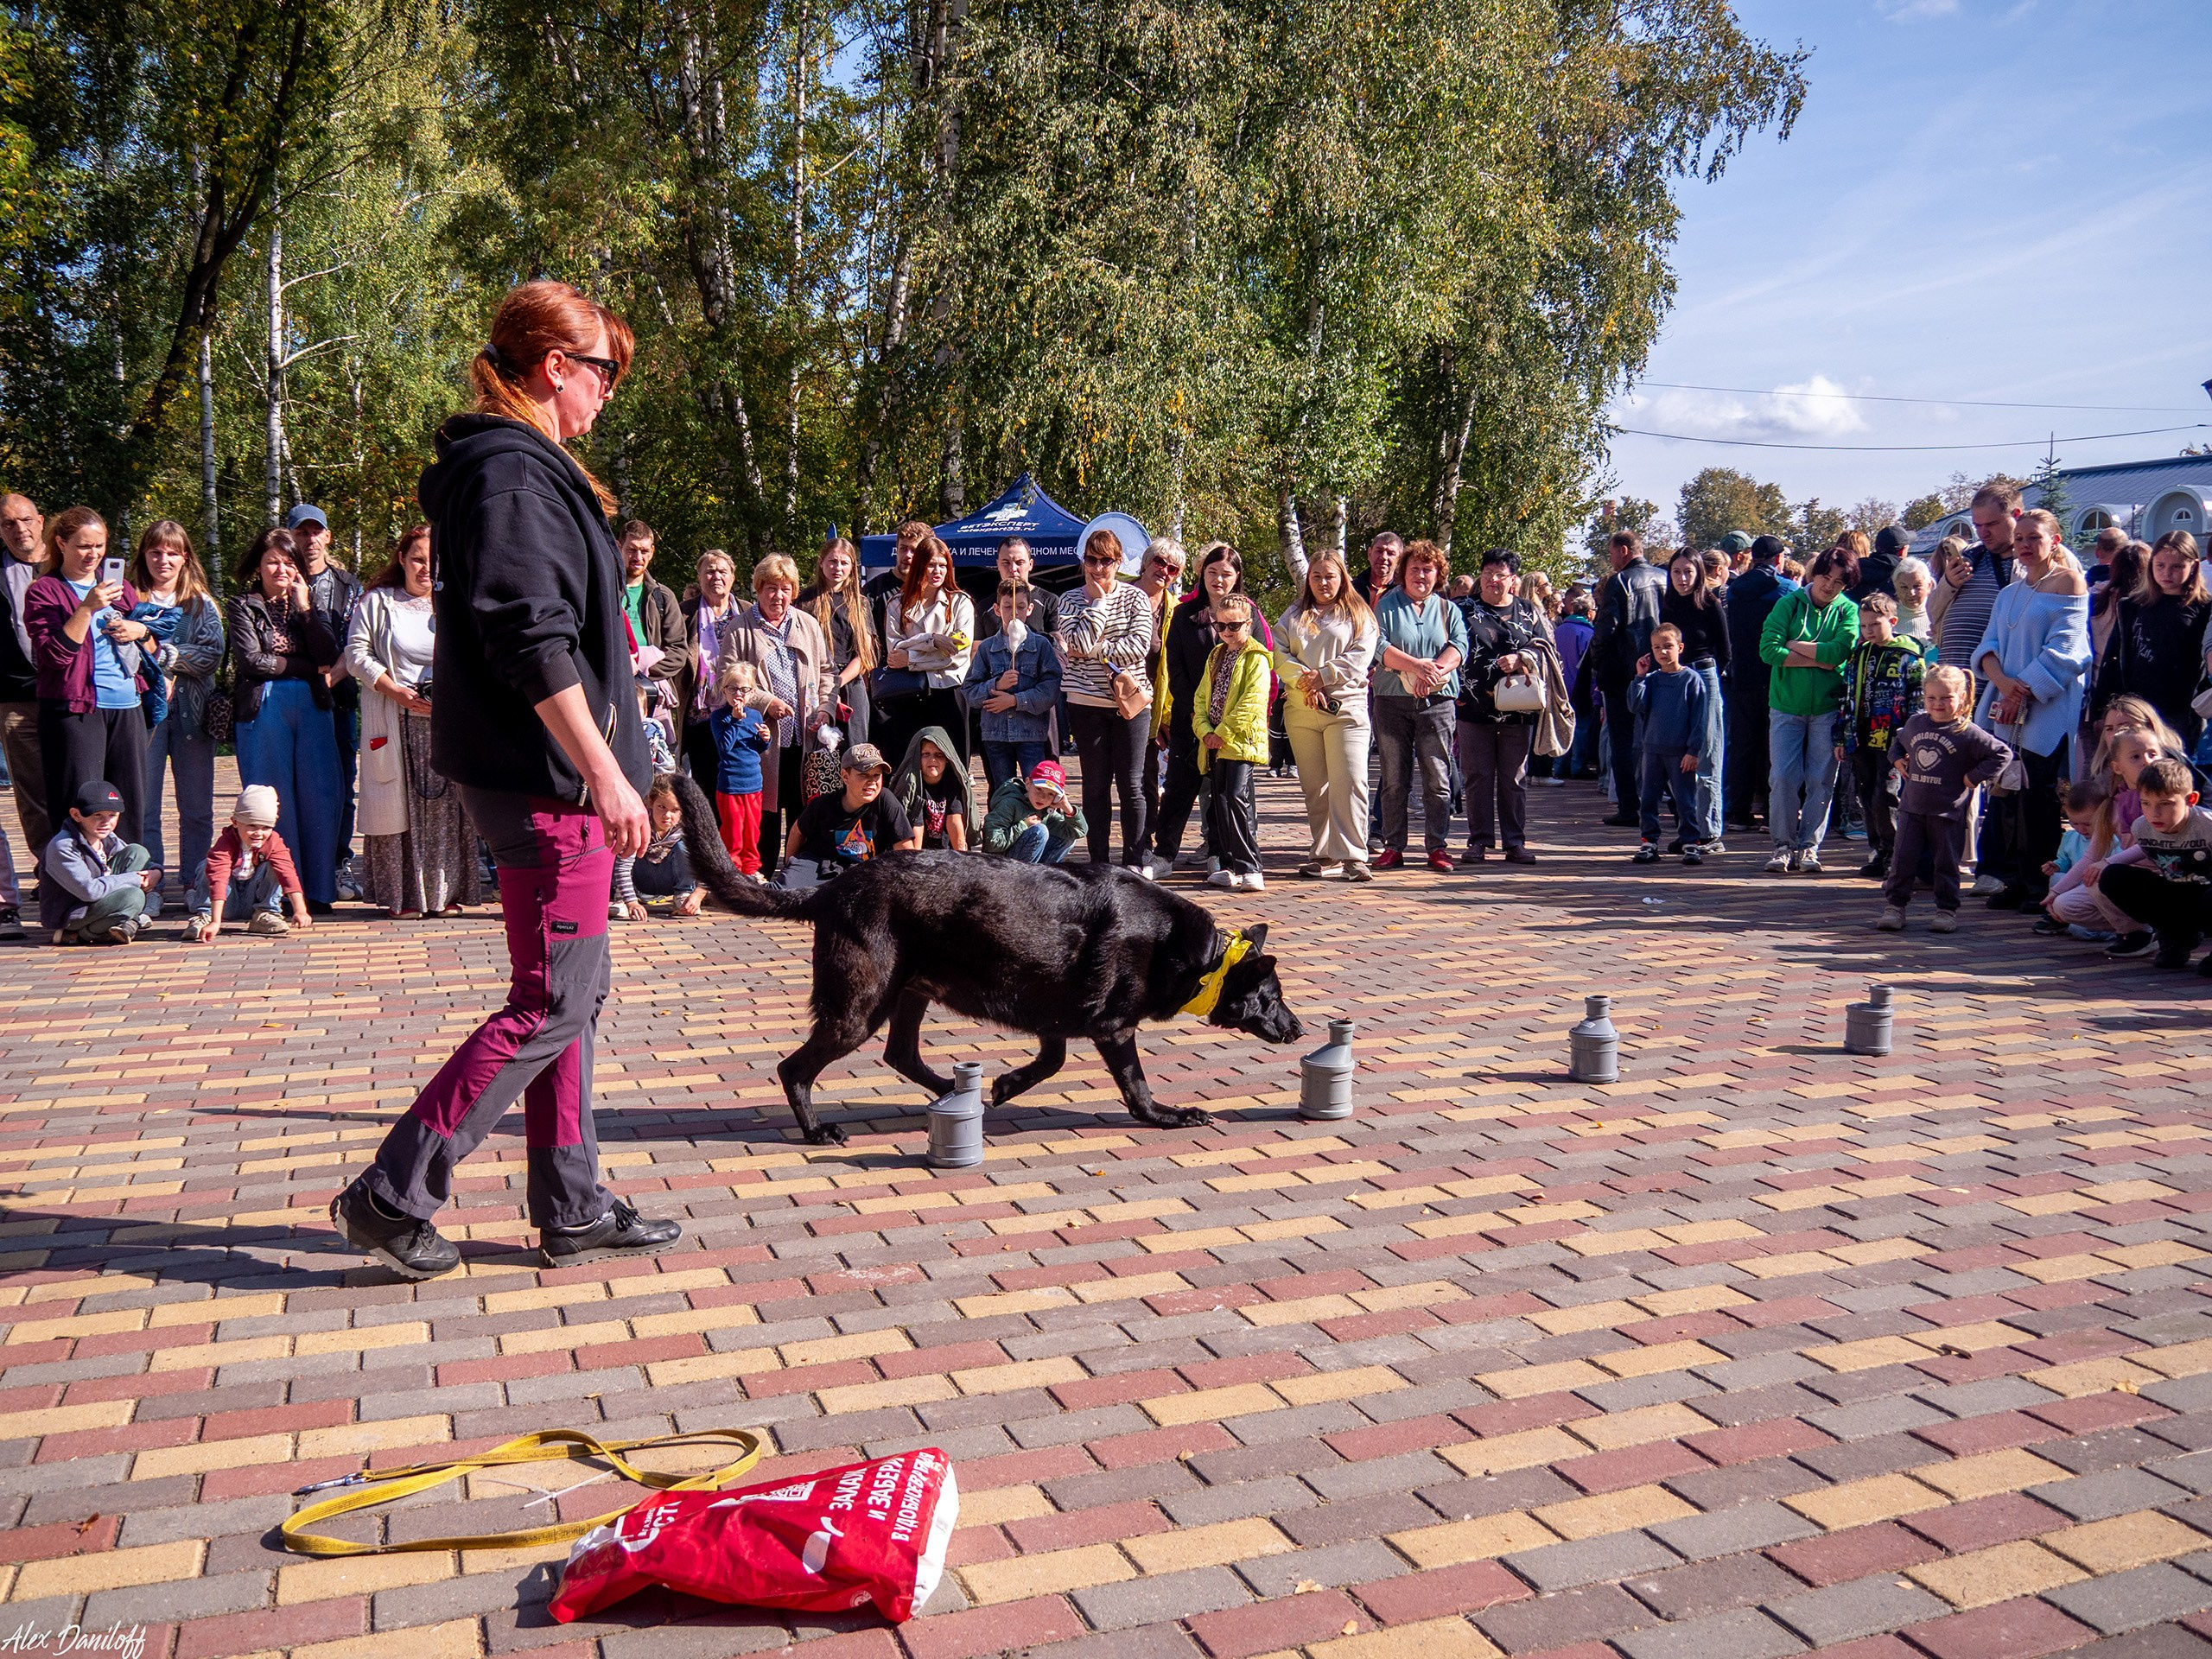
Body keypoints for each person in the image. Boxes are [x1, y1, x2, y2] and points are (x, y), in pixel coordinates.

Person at [332, 277, 679, 1281]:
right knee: (553, 999)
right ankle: (392, 1193)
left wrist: (626, 766)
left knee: (569, 992)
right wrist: (605, 774)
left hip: (544, 776)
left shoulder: (514, 469)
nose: (610, 391)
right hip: (547, 781)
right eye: (603, 371)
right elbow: (534, 642)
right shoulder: (513, 475)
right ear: (553, 368)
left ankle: (570, 1204)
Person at [346, 525, 482, 919]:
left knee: (449, 807)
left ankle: (447, 892)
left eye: (434, 560)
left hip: (448, 720)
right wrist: (394, 690)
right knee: (399, 807)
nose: (426, 568)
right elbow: (356, 654)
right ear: (402, 560)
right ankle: (404, 896)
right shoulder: (378, 602)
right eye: (418, 558)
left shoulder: (456, 601)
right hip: (397, 718)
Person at [1973, 508, 2089, 910]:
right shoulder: (2009, 593)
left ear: (2054, 541)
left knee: (2038, 798)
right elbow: (1987, 646)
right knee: (2006, 795)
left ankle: (2040, 882)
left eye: (2033, 538)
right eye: (2019, 538)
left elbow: (2067, 650)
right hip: (2006, 709)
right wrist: (2003, 685)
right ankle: (2013, 879)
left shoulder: (2070, 583)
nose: (2024, 545)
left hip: (2046, 706)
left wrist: (2020, 693)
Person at [26, 507, 152, 865]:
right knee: (79, 802)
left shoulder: (121, 588)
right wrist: (86, 608)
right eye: (83, 546)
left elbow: (150, 641)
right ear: (61, 543)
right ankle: (76, 891)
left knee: (127, 802)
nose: (93, 554)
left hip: (127, 705)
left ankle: (129, 889)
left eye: (99, 546)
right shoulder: (45, 591)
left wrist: (140, 631)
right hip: (74, 709)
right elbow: (54, 657)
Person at [228, 526, 345, 911]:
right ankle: (276, 893)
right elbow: (251, 661)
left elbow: (328, 652)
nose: (281, 569)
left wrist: (305, 608)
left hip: (313, 706)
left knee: (320, 798)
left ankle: (318, 891)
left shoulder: (311, 604)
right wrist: (307, 667)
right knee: (272, 801)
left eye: (288, 561)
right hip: (264, 707)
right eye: (272, 561)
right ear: (258, 567)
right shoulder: (243, 604)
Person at [1152, 543, 1271, 876]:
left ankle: (1222, 855)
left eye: (1227, 574)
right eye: (1212, 572)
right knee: (1178, 788)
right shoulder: (1184, 614)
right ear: (1202, 574)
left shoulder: (1249, 614)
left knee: (1225, 793)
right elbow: (1174, 667)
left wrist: (1226, 725)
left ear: (1237, 577)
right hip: (1191, 720)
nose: (1219, 580)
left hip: (1233, 729)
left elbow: (1261, 669)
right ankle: (1164, 854)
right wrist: (1195, 715)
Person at [719, 552, 836, 880]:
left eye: (785, 588)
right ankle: (761, 875)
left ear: (794, 591)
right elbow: (725, 679)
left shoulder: (808, 625)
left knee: (805, 809)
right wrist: (765, 701)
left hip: (805, 736)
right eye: (770, 587)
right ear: (758, 590)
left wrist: (826, 707)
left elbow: (828, 672)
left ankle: (799, 874)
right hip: (761, 740)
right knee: (765, 811)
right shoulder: (741, 628)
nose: (778, 596)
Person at [127, 518, 225, 893]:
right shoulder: (130, 599)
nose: (163, 560)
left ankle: (195, 882)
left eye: (172, 552)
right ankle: (148, 886)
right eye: (155, 551)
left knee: (197, 809)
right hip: (140, 715)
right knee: (145, 807)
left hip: (192, 717)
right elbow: (119, 647)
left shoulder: (200, 605)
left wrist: (162, 654)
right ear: (144, 555)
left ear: (185, 558)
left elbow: (211, 657)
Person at [1877, 665, 2012, 933]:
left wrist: (1974, 777)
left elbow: (2002, 754)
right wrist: (1897, 762)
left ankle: (1946, 910)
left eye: (1947, 697)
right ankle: (1895, 907)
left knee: (1946, 864)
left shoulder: (1968, 732)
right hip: (1911, 809)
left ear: (1962, 697)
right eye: (1932, 698)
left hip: (1947, 812)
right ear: (1924, 697)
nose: (1938, 704)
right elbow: (1898, 743)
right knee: (1902, 860)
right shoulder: (1916, 723)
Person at [1274, 548, 1378, 880]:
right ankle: (1323, 854)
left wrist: (1324, 676)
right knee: (1315, 786)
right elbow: (1278, 654)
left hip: (1346, 709)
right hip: (1303, 711)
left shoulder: (1358, 614)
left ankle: (1352, 855)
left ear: (1342, 577)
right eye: (1316, 576)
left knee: (1349, 781)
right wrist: (1307, 682)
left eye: (1330, 576)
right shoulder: (1293, 615)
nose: (1323, 582)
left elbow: (1361, 656)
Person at [1055, 527, 1155, 870]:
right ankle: (1099, 862)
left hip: (1131, 704)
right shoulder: (1069, 599)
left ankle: (1135, 861)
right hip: (1085, 704)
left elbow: (1138, 647)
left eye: (1106, 561)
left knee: (1131, 784)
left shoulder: (1136, 598)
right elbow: (1076, 644)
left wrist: (1091, 650)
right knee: (1095, 787)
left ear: (1118, 562)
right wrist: (1098, 603)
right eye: (1091, 560)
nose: (1098, 568)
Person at [1758, 545, 1860, 874]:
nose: (1829, 586)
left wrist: (1794, 645)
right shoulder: (1788, 603)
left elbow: (1840, 652)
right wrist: (1822, 659)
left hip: (1828, 709)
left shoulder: (1848, 611)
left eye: (1839, 582)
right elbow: (1768, 650)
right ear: (1815, 573)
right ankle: (1782, 845)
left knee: (1820, 779)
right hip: (1786, 705)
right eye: (1826, 577)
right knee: (1784, 777)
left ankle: (1810, 847)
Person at [1371, 538, 1465, 873]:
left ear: (1438, 574)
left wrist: (1434, 671)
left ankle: (1437, 847)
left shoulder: (1448, 609)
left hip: (1437, 700)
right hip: (1391, 700)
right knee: (1394, 777)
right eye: (1415, 569)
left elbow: (1459, 645)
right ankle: (1393, 846)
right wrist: (1416, 667)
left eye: (1428, 570)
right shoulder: (1386, 605)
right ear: (1403, 572)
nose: (1421, 575)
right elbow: (1377, 645)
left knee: (1437, 777)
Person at [286, 505, 365, 894]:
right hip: (291, 695)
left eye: (317, 532)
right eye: (302, 533)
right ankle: (294, 865)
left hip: (339, 698)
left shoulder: (349, 586)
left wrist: (333, 676)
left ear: (328, 537)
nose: (310, 540)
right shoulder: (278, 579)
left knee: (341, 784)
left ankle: (338, 862)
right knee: (294, 785)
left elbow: (357, 641)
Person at [1452, 548, 1546, 864]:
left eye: (1500, 575)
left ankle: (1515, 842)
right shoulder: (1462, 608)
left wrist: (1523, 658)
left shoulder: (1529, 612)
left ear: (1513, 580)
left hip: (1519, 709)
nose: (1493, 580)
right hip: (1472, 706)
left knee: (1514, 778)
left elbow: (1547, 650)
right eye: (1488, 573)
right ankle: (1478, 841)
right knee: (1477, 776)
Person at [1836, 592, 1926, 882]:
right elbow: (1847, 695)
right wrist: (1842, 734)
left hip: (1892, 740)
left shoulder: (1909, 656)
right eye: (1864, 626)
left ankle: (1895, 854)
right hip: (1861, 737)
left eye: (1875, 624)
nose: (1869, 631)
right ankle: (1877, 850)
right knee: (1865, 794)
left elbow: (1917, 700)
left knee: (1886, 795)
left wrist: (1912, 741)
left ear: (1893, 621)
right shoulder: (1859, 654)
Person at [2092, 531, 2209, 750]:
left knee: (2174, 775)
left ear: (2193, 566)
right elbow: (2113, 658)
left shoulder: (2204, 608)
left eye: (2177, 566)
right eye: (2160, 565)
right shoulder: (2133, 606)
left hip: (2180, 711)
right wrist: (2102, 708)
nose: (2167, 573)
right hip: (2135, 707)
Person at [2094, 757, 2212, 972]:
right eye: (2146, 804)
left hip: (2208, 894)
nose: (2154, 814)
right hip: (2178, 890)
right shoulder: (2142, 828)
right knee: (2114, 877)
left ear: (2191, 799)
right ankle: (2177, 938)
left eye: (2165, 804)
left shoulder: (2207, 825)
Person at [1192, 594, 1270, 892]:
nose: (1226, 632)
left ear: (1248, 624)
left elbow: (1252, 703)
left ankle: (1251, 866)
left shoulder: (1257, 657)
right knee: (1220, 801)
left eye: (1234, 625)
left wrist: (1222, 732)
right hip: (1213, 742)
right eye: (1220, 625)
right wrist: (1204, 729)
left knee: (1238, 798)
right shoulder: (1216, 655)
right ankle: (1227, 864)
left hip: (1239, 742)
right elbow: (1201, 697)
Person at [1591, 529, 1667, 830]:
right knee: (1663, 737)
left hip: (1623, 671)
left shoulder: (1620, 582)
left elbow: (1605, 630)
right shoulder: (1665, 578)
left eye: (1611, 553)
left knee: (1622, 741)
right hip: (1662, 667)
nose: (1611, 559)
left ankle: (1628, 806)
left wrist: (1598, 664)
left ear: (1623, 551)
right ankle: (1664, 801)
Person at [876, 534, 973, 769]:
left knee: (952, 765)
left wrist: (913, 657)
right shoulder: (897, 604)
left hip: (949, 692)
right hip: (909, 695)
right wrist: (932, 640)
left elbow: (958, 654)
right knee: (910, 765)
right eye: (931, 564)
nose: (937, 571)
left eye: (943, 565)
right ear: (920, 565)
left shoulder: (960, 603)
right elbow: (895, 652)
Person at [1658, 547, 1729, 851]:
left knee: (1706, 753)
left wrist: (1707, 676)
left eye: (1688, 572)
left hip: (1705, 675)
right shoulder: (1668, 605)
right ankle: (1690, 829)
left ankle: (1709, 832)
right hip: (1675, 678)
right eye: (1676, 572)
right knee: (1677, 754)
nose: (1683, 578)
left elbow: (1725, 652)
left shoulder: (1711, 604)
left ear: (1700, 573)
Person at [1724, 534, 1796, 832]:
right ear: (1779, 560)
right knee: (1772, 746)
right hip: (1774, 674)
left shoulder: (1732, 590)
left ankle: (1738, 811)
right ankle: (1770, 812)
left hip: (1741, 675)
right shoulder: (1788, 590)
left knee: (1742, 745)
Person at [963, 582, 1060, 792]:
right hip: (995, 735)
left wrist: (1016, 700)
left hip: (1030, 733)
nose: (1014, 613)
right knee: (1003, 792)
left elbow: (1051, 689)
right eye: (1007, 607)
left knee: (1036, 791)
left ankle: (1035, 826)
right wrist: (996, 684)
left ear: (1030, 609)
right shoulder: (987, 648)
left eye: (1021, 607)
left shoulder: (1041, 645)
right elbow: (970, 691)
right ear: (997, 609)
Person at [183, 785, 310, 940]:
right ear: (235, 822)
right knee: (206, 865)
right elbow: (218, 879)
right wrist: (216, 922)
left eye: (265, 827)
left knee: (276, 866)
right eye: (252, 826)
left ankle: (265, 914)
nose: (259, 833)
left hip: (253, 899)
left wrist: (300, 910)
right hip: (226, 903)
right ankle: (206, 916)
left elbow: (288, 874)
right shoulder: (225, 844)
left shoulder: (274, 842)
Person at [0, 493, 52, 877]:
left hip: (72, 692)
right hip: (16, 696)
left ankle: (84, 866)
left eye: (25, 520)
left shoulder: (71, 560)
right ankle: (49, 869)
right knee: (31, 792)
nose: (20, 530)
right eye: (8, 524)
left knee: (79, 781)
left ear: (41, 520)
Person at [1630, 624, 1709, 866]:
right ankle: (1649, 842)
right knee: (1648, 799)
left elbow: (1700, 719)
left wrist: (1693, 751)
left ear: (1680, 647)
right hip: (1652, 750)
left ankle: (1690, 842)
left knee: (1685, 800)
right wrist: (1640, 677)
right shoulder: (1652, 680)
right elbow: (1635, 706)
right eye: (1657, 648)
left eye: (1668, 646)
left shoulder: (1691, 680)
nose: (1663, 652)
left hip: (1680, 753)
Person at [41, 780, 159, 945]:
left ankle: (128, 920)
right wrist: (135, 879)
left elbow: (141, 863)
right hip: (73, 913)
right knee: (134, 897)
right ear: (76, 815)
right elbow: (89, 891)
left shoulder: (106, 837)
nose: (106, 822)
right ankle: (78, 934)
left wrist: (156, 872)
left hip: (97, 901)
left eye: (112, 815)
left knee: (137, 852)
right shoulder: (64, 846)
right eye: (97, 815)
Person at [1132, 537, 1186, 866]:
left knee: (1147, 779)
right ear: (1147, 561)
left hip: (1155, 704)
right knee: (1119, 778)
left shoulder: (1175, 609)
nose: (1164, 572)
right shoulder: (1120, 593)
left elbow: (1174, 663)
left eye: (1173, 569)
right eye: (1160, 563)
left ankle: (1143, 843)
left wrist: (1166, 714)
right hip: (1114, 697)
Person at [786, 741, 918, 871]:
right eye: (863, 775)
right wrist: (789, 867)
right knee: (786, 886)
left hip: (865, 871)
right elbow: (797, 832)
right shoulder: (824, 804)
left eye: (876, 775)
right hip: (819, 864)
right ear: (845, 777)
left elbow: (905, 849)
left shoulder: (885, 800)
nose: (871, 782)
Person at [1931, 482, 2019, 671]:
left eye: (1992, 524)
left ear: (2016, 515)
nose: (1983, 533)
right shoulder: (1971, 556)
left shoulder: (2040, 561)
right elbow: (1932, 612)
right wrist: (1948, 583)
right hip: (1952, 688)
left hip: (2000, 686)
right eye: (1978, 526)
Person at [682, 549, 749, 783]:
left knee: (736, 781)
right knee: (704, 782)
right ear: (699, 576)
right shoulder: (685, 613)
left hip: (738, 712)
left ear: (733, 577)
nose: (716, 577)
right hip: (699, 714)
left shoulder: (748, 611)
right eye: (709, 572)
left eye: (722, 571)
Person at [803, 538, 875, 747]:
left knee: (855, 751)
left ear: (852, 567)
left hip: (851, 683)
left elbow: (864, 656)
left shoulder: (860, 603)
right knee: (818, 751)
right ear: (821, 562)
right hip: (815, 684)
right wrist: (826, 688)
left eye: (844, 563)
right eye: (833, 561)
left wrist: (837, 684)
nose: (838, 568)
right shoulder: (806, 600)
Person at [2037, 779, 2128, 942]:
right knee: (2057, 880)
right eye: (2074, 823)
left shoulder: (2115, 838)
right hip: (2080, 890)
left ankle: (2123, 930)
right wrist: (2057, 867)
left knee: (2080, 930)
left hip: (2102, 894)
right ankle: (2060, 918)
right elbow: (2068, 860)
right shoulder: (2071, 837)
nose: (2081, 829)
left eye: (2088, 824)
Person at [709, 661, 772, 873]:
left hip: (754, 783)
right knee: (733, 834)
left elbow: (757, 748)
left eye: (744, 689)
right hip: (730, 785)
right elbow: (725, 747)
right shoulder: (719, 717)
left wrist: (765, 739)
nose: (738, 694)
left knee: (752, 834)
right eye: (733, 689)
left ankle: (752, 871)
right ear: (724, 690)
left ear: (752, 692)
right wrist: (735, 721)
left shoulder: (755, 715)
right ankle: (731, 872)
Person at [614, 775, 709, 916]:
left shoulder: (690, 825)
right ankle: (620, 899)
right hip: (641, 878)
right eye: (661, 807)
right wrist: (631, 902)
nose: (667, 815)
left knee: (686, 846)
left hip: (671, 878)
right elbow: (623, 864)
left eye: (675, 810)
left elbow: (710, 866)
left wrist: (697, 896)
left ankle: (683, 894)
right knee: (624, 846)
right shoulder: (640, 822)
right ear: (651, 802)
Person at [982, 758, 1085, 862]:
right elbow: (992, 843)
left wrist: (1067, 808)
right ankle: (1029, 875)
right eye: (1039, 789)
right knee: (1040, 831)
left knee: (1068, 837)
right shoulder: (1009, 804)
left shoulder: (1046, 811)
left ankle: (1044, 873)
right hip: (1001, 864)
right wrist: (1023, 826)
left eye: (1050, 794)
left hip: (1025, 862)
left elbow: (1079, 831)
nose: (1042, 797)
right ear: (1028, 783)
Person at [888, 724, 974, 851]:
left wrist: (962, 857)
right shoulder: (911, 783)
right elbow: (917, 826)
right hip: (918, 848)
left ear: (947, 759)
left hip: (946, 850)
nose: (932, 760)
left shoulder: (953, 781)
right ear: (917, 757)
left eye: (939, 754)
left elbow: (954, 821)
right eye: (926, 754)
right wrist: (916, 864)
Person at [1555, 587, 1597, 783]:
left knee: (1561, 727)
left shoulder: (1558, 631)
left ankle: (1559, 765)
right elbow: (1590, 666)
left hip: (1560, 687)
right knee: (1580, 727)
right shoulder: (1588, 634)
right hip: (1581, 688)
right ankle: (1577, 765)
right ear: (1590, 613)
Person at [1892, 556, 1936, 645]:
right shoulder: (1887, 618)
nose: (1911, 593)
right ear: (1895, 587)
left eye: (1917, 586)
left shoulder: (1940, 615)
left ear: (1929, 585)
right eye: (1904, 587)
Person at [1352, 532, 1402, 607]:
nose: (1384, 557)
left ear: (1399, 559)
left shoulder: (1403, 592)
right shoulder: (1352, 589)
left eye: (1390, 553)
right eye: (1379, 551)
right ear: (1369, 553)